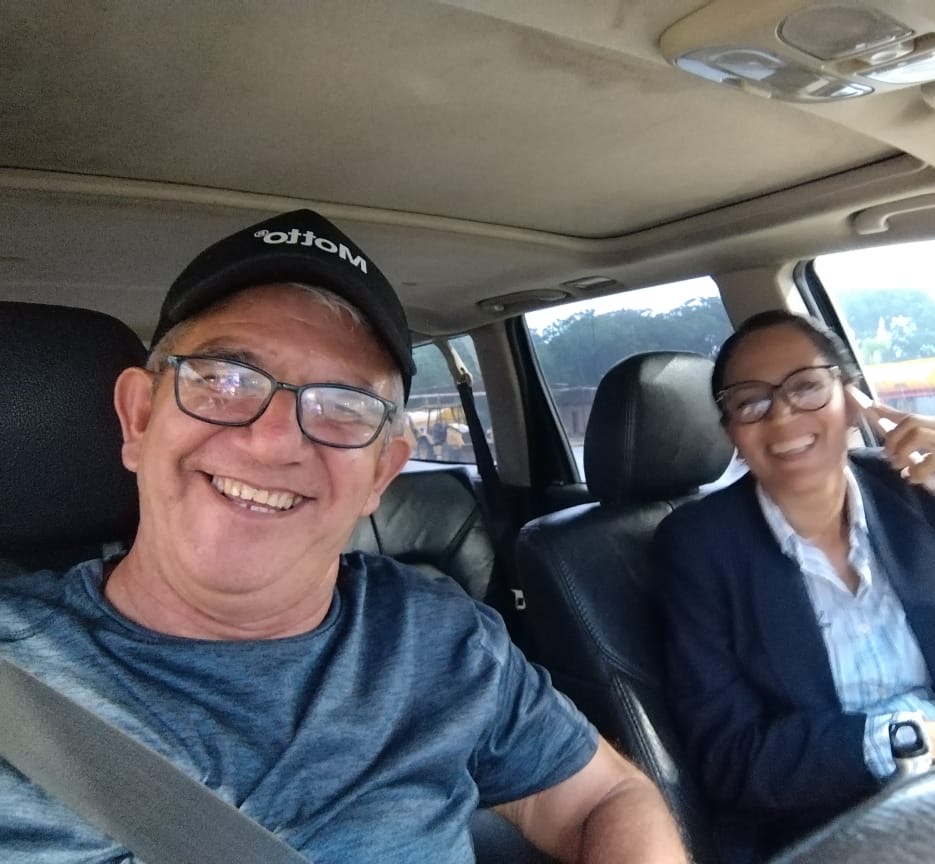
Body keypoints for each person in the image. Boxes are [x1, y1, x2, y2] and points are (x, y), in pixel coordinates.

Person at [0, 209, 689, 864]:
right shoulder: (18, 677)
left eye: (343, 405)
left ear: (381, 474)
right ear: (140, 418)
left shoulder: (443, 641)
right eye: (226, 379)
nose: (274, 441)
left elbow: (606, 796)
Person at [656, 309, 935, 863]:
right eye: (750, 401)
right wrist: (932, 740)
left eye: (806, 387)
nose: (783, 414)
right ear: (731, 431)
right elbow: (732, 758)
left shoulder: (918, 493)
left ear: (852, 400)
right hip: (836, 815)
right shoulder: (699, 546)